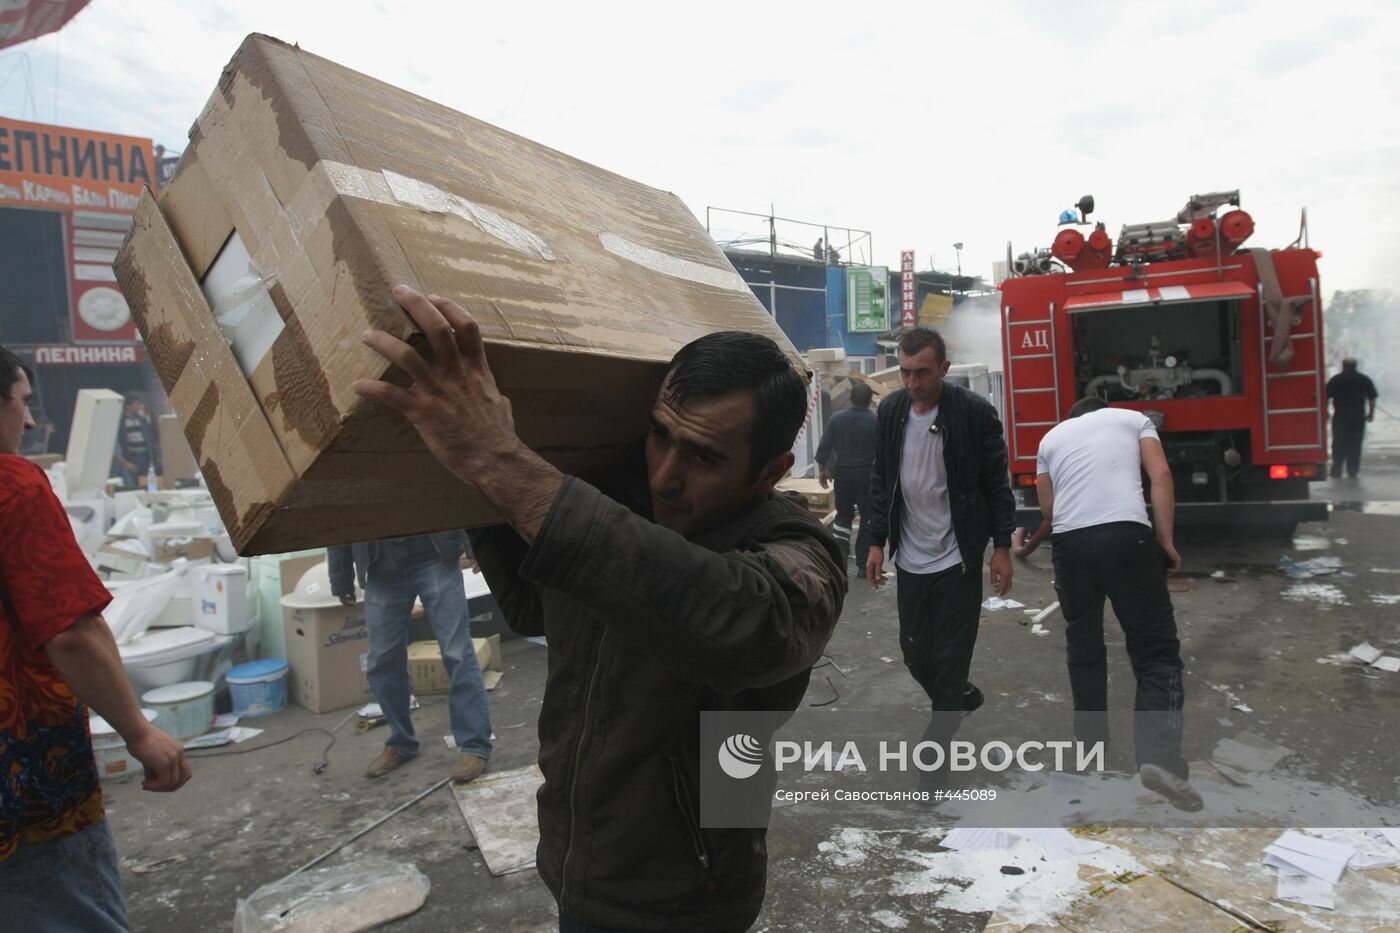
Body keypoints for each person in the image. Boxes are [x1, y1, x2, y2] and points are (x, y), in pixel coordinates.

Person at [353, 287, 846, 933]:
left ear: (770, 469)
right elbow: (535, 606)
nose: (665, 474)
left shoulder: (797, 551)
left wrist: (499, 460)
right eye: (659, 436)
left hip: (687, 894)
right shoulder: (623, 505)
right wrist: (476, 482)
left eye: (702, 456)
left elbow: (754, 627)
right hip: (576, 863)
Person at [0, 346, 191, 930]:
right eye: (23, 402)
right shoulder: (13, 487)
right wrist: (139, 731)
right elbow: (72, 631)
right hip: (22, 780)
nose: (30, 421)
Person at [1034, 396, 1200, 812]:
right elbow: (1160, 475)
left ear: (1073, 417)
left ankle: (1092, 752)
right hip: (1128, 536)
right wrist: (1165, 540)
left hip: (1070, 546)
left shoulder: (1050, 439)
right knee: (1156, 653)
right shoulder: (1134, 419)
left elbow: (1050, 509)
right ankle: (1159, 759)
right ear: (1102, 408)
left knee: (1085, 650)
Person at [864, 327, 1015, 777]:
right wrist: (875, 541)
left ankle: (936, 751)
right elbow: (880, 480)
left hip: (958, 557)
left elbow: (996, 485)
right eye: (905, 373)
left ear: (944, 370)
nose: (912, 384)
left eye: (922, 373)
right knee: (914, 652)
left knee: (951, 656)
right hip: (910, 555)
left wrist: (1001, 547)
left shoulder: (973, 414)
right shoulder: (891, 410)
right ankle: (957, 700)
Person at [327, 533, 493, 783]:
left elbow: (455, 495)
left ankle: (474, 745)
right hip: (381, 568)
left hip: (434, 557)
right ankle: (401, 742)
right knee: (382, 661)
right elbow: (337, 518)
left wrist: (475, 546)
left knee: (456, 653)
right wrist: (341, 579)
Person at [816, 381, 878, 575]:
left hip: (842, 474)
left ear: (850, 398)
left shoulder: (837, 419)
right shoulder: (875, 421)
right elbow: (883, 453)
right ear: (869, 401)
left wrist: (823, 470)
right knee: (868, 518)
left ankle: (840, 560)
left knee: (843, 516)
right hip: (867, 475)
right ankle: (862, 565)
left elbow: (824, 447)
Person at [1326, 358, 1378, 478]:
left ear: (1343, 365)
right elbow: (1372, 398)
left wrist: (1325, 413)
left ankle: (1337, 469)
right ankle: (1352, 469)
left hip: (1340, 417)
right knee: (1355, 443)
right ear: (1356, 365)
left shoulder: (1336, 379)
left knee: (1338, 442)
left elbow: (1326, 397)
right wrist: (1371, 414)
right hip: (1358, 418)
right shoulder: (1364, 379)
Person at [113, 394, 157, 489]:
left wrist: (156, 454)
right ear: (128, 406)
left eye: (138, 404)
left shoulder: (142, 420)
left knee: (148, 483)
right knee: (132, 483)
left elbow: (151, 438)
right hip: (131, 457)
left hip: (145, 456)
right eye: (135, 404)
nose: (137, 407)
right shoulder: (121, 422)